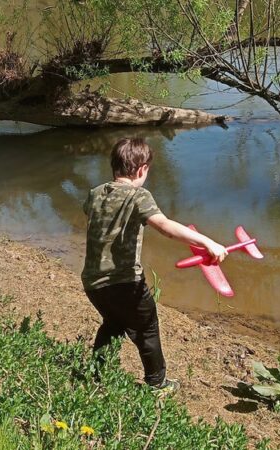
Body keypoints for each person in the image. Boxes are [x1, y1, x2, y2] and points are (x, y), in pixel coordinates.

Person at [81, 138, 228, 395]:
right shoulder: (139, 196)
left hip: (93, 282)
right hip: (125, 282)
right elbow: (165, 226)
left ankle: (96, 374)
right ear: (142, 169)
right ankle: (157, 383)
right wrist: (208, 242)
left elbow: (94, 215)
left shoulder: (95, 193)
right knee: (147, 328)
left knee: (113, 323)